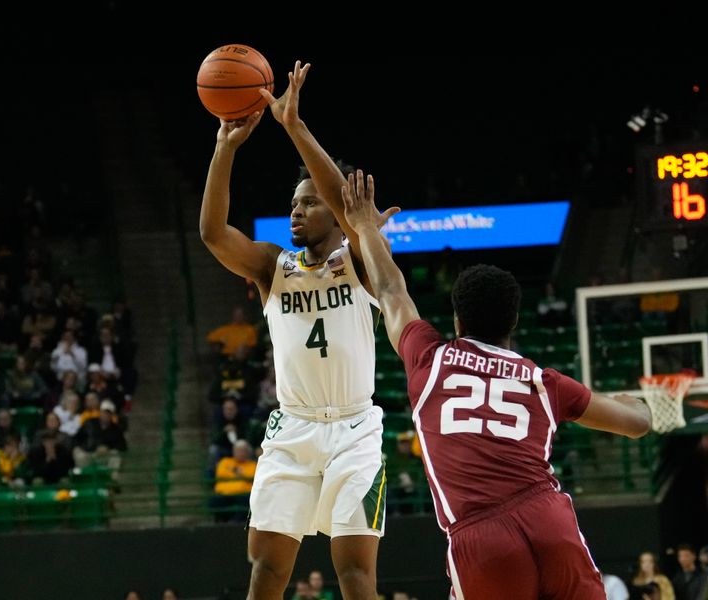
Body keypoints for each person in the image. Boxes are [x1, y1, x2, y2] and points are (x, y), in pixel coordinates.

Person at [341, 169, 653, 599]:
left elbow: (392, 289)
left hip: (480, 536)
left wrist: (363, 228)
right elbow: (637, 423)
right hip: (548, 517)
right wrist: (637, 401)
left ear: (456, 319)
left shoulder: (430, 360)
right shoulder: (545, 381)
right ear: (515, 321)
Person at [200, 61, 397, 600]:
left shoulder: (361, 259)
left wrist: (293, 125)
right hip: (292, 430)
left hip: (356, 431)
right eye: (292, 203)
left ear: (335, 215)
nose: (297, 211)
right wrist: (226, 147)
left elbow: (347, 206)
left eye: (309, 202)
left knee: (355, 573)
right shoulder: (271, 266)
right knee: (266, 569)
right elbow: (213, 232)